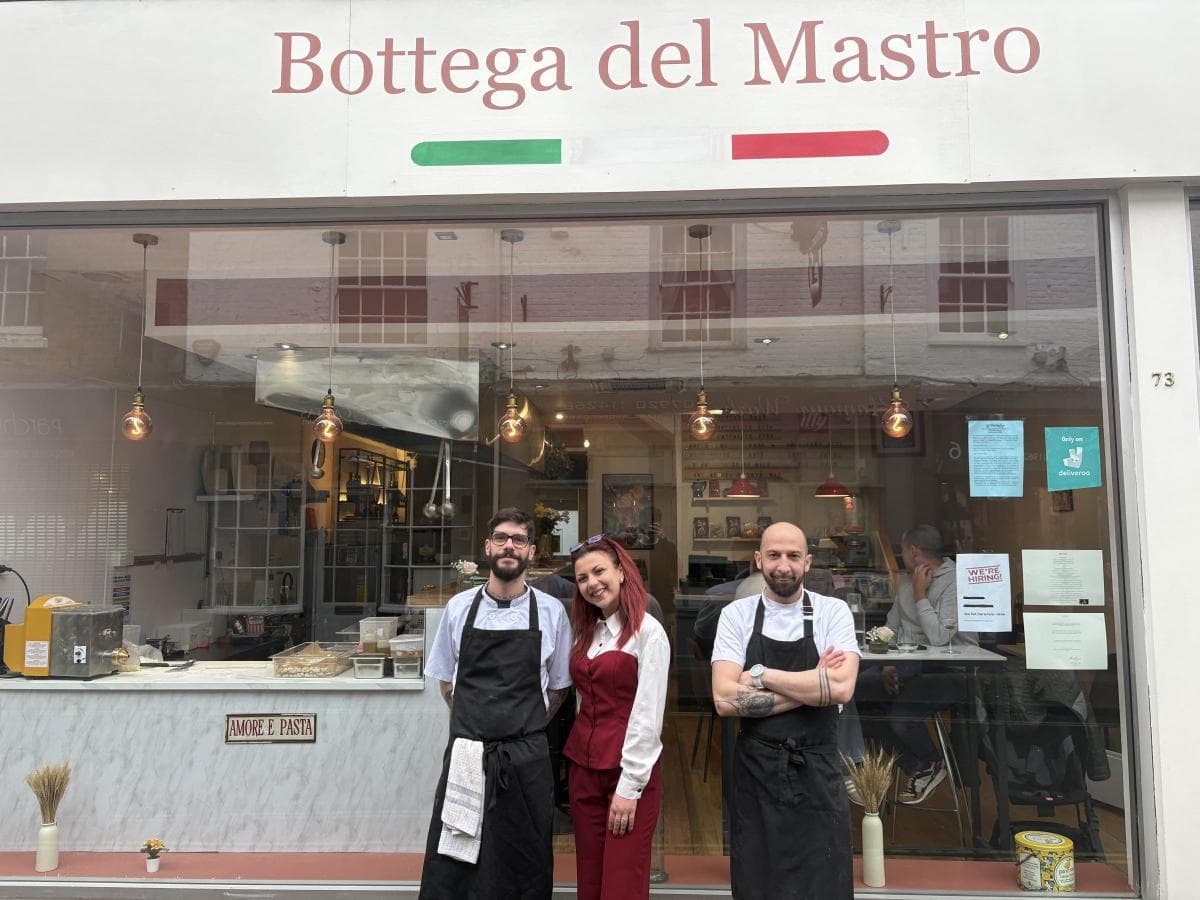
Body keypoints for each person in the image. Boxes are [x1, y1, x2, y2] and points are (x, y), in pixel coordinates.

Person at [419, 507, 573, 900]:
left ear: (531, 551)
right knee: (455, 868)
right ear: (488, 546)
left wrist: (518, 727)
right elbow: (446, 682)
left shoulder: (552, 613)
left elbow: (558, 688)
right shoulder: (459, 608)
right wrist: (478, 726)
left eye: (518, 539)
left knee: (524, 863)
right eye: (502, 538)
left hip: (527, 760)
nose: (509, 546)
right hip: (468, 754)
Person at [711, 523, 861, 900]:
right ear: (758, 560)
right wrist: (814, 684)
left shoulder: (834, 612)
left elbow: (842, 688)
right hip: (757, 771)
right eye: (774, 555)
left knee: (823, 882)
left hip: (819, 770)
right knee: (758, 881)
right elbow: (725, 700)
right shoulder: (737, 615)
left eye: (793, 556)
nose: (783, 565)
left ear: (807, 562)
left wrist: (761, 674)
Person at [563, 534, 670, 900]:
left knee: (622, 885)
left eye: (599, 571)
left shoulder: (647, 633)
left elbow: (648, 713)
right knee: (589, 881)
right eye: (582, 578)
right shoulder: (586, 631)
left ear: (622, 572)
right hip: (583, 770)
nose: (592, 583)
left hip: (628, 776)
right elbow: (582, 698)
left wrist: (630, 788)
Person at [860, 524, 977, 805]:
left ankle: (929, 760)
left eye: (902, 550)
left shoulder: (956, 581)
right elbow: (890, 629)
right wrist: (887, 663)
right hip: (907, 667)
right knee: (854, 696)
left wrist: (921, 595)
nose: (901, 556)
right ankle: (921, 767)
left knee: (901, 718)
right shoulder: (907, 581)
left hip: (950, 672)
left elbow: (939, 638)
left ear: (914, 552)